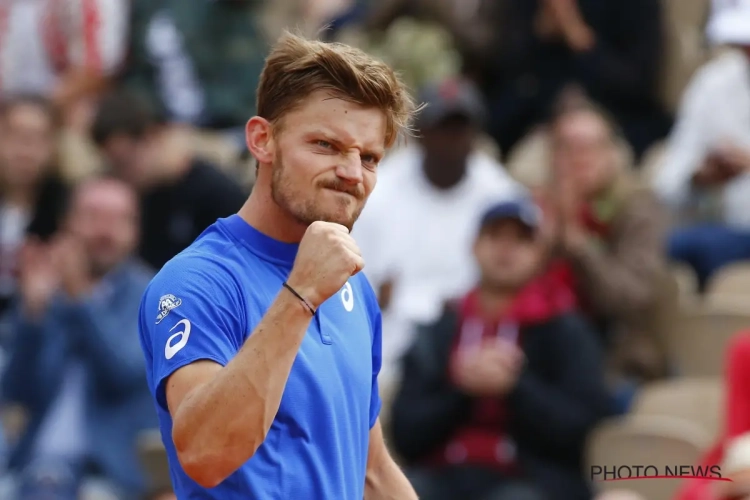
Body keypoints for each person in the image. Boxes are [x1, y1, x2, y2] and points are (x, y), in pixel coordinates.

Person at [137, 32, 419, 498]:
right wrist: (301, 295)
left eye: (369, 157)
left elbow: (371, 471)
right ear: (262, 140)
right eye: (326, 145)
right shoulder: (196, 281)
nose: (352, 172)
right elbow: (205, 454)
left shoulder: (352, 287)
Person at [390, 198, 613, 500]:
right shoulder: (439, 330)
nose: (506, 250)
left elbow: (584, 430)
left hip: (529, 478)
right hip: (441, 473)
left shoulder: (565, 330)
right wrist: (461, 390)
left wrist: (516, 387)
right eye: (496, 236)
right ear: (474, 246)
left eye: (521, 240)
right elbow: (405, 433)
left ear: (540, 254)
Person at [352, 76, 522, 394]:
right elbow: (354, 290)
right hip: (388, 352)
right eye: (442, 128)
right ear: (421, 134)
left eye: (460, 128)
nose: (451, 139)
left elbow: (516, 280)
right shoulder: (379, 190)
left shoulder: (501, 194)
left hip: (473, 344)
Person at [1, 177, 156, 499]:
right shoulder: (47, 289)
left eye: (118, 220)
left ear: (136, 230)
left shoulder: (152, 293)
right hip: (32, 466)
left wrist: (80, 299)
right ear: (67, 223)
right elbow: (17, 391)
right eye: (93, 217)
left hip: (106, 474)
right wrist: (32, 315)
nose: (105, 231)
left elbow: (122, 374)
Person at [652, 0, 750, 291]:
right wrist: (702, 176)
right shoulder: (713, 83)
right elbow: (667, 183)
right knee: (658, 245)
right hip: (721, 229)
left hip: (724, 240)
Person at [91, 90, 247, 270]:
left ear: (150, 138)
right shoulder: (131, 197)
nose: (122, 175)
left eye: (124, 162)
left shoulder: (214, 191)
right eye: (113, 166)